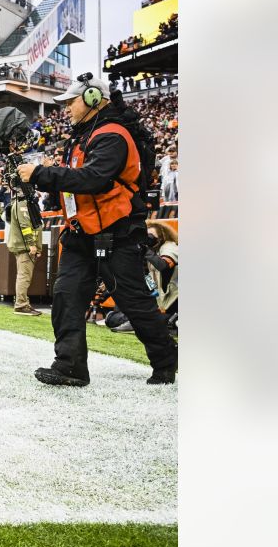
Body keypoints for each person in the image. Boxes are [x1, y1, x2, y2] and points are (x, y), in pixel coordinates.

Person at [17, 75, 178, 385]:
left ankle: (166, 362)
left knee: (135, 303)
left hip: (116, 235)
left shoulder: (113, 135)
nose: (66, 108)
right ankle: (70, 365)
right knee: (67, 297)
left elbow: (93, 179)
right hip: (81, 235)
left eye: (71, 101)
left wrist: (41, 173)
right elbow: (75, 186)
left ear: (93, 98)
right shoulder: (83, 138)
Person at [5, 184, 43, 316]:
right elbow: (25, 225)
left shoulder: (23, 202)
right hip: (25, 246)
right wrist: (31, 244)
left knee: (24, 275)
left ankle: (23, 303)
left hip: (25, 246)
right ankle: (21, 305)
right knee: (24, 276)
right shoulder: (22, 203)